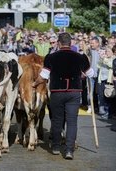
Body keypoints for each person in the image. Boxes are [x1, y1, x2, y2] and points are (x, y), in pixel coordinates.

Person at [33, 32, 94, 160]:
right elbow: (90, 73)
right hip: (74, 92)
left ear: (59, 43)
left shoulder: (51, 57)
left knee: (57, 119)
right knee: (72, 122)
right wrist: (81, 74)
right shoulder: (80, 57)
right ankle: (69, 150)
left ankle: (55, 147)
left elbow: (44, 76)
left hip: (57, 92)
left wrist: (35, 83)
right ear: (71, 43)